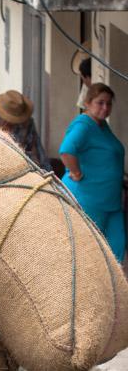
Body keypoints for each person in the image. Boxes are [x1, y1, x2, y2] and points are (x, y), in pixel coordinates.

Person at [60, 82, 125, 263]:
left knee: (116, 248)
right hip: (88, 199)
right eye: (100, 102)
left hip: (110, 201)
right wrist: (76, 172)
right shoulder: (84, 125)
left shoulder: (101, 125)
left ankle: (111, 290)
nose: (105, 107)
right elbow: (66, 150)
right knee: (88, 251)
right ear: (88, 103)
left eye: (109, 103)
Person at [0, 90, 51, 171]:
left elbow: (37, 152)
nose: (12, 124)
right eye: (9, 120)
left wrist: (44, 172)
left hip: (17, 169)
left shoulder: (27, 123)